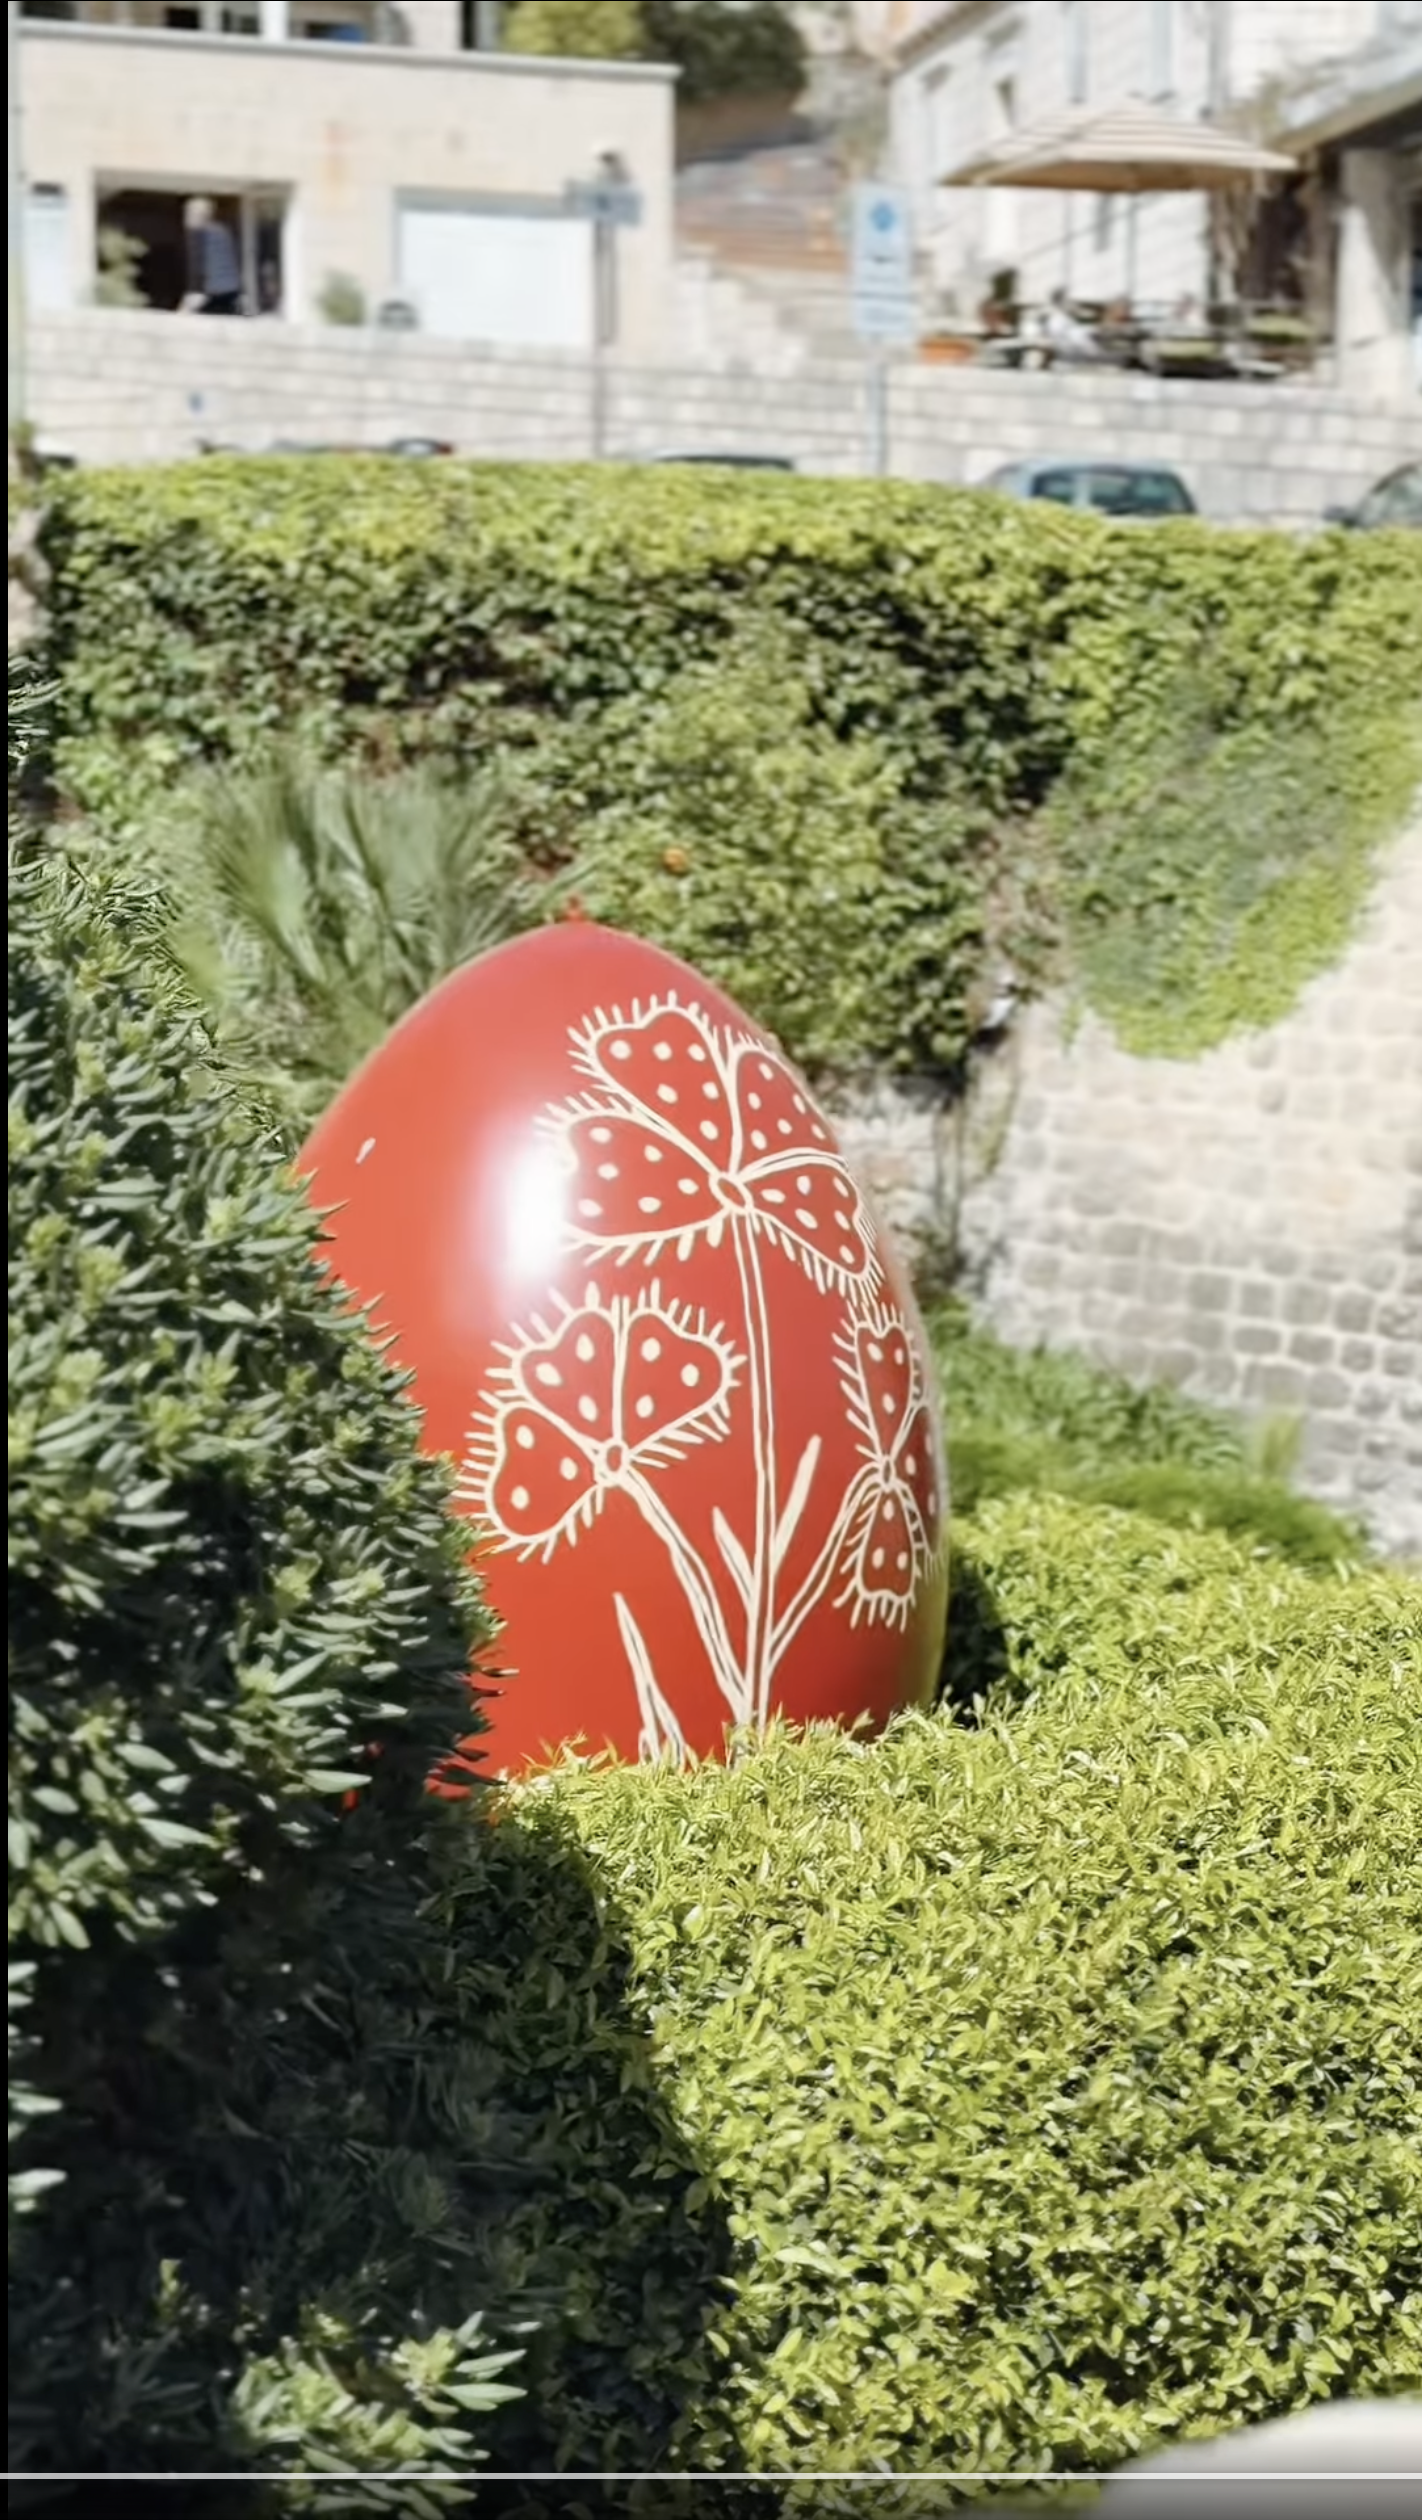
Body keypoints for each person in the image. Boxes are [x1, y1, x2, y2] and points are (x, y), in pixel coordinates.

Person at [181, 198, 243, 315]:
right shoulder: (222, 231)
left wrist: (194, 292)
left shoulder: (197, 233)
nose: (186, 217)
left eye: (189, 213)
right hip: (231, 289)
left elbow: (197, 264)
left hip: (210, 292)